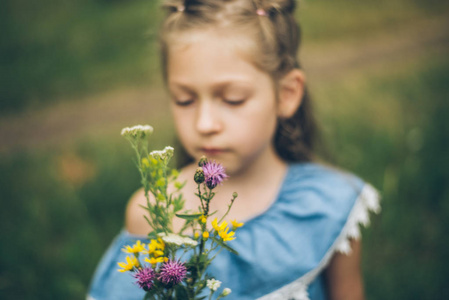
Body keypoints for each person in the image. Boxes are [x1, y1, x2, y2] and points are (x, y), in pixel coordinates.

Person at [87, 0, 380, 299]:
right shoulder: (152, 212)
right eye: (184, 100)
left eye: (233, 99)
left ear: (286, 95)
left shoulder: (326, 205)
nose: (204, 123)